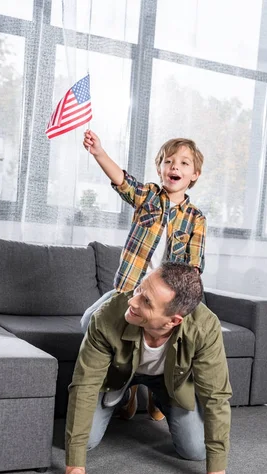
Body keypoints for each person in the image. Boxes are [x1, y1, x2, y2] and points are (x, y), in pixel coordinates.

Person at [47, 263, 241, 474]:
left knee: (196, 451)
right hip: (119, 372)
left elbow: (216, 397)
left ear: (174, 320)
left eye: (146, 301)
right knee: (82, 442)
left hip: (168, 379)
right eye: (139, 288)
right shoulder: (110, 315)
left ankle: (155, 397)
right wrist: (75, 468)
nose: (134, 301)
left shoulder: (205, 327)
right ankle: (127, 393)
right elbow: (84, 386)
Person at [81, 129, 207, 421]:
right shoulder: (148, 196)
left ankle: (156, 390)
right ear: (160, 168)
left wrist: (180, 305)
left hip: (165, 301)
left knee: (170, 337)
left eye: (184, 163)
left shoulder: (196, 218)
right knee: (89, 320)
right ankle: (127, 386)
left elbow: (194, 267)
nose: (174, 166)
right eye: (168, 161)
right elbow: (122, 181)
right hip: (129, 290)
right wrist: (98, 151)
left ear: (195, 174)